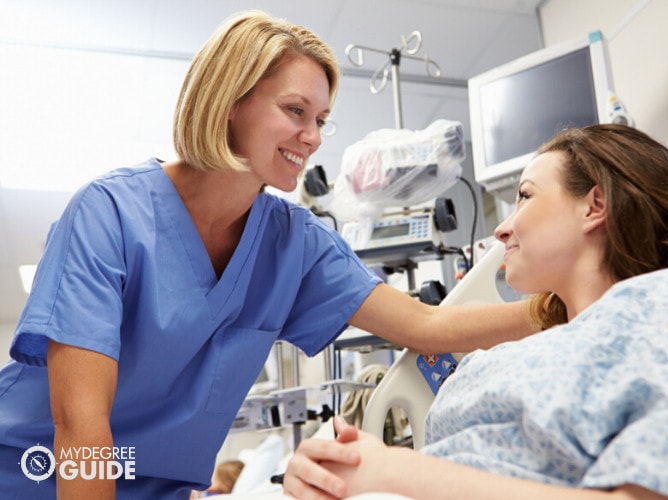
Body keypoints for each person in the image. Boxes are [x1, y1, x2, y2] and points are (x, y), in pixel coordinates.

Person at [0, 10, 533, 500]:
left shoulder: (294, 243)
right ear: (230, 102)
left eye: (321, 119)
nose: (313, 137)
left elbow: (425, 327)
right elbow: (80, 425)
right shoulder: (110, 214)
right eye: (296, 111)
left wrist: (565, 305)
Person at [282, 124, 668, 499]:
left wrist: (389, 470)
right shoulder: (505, 358)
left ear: (594, 206)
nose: (501, 229)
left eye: (525, 196)